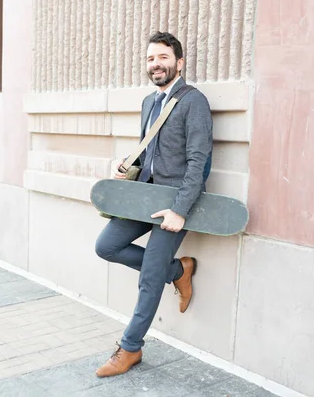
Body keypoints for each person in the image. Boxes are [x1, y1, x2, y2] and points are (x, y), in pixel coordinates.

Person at [94, 31, 213, 378]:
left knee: (149, 277)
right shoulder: (149, 102)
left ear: (179, 62)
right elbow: (151, 151)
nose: (156, 64)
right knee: (106, 246)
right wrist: (129, 165)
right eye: (150, 58)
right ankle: (178, 271)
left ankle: (130, 348)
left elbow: (198, 161)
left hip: (174, 204)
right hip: (144, 196)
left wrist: (179, 210)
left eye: (162, 57)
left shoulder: (194, 101)